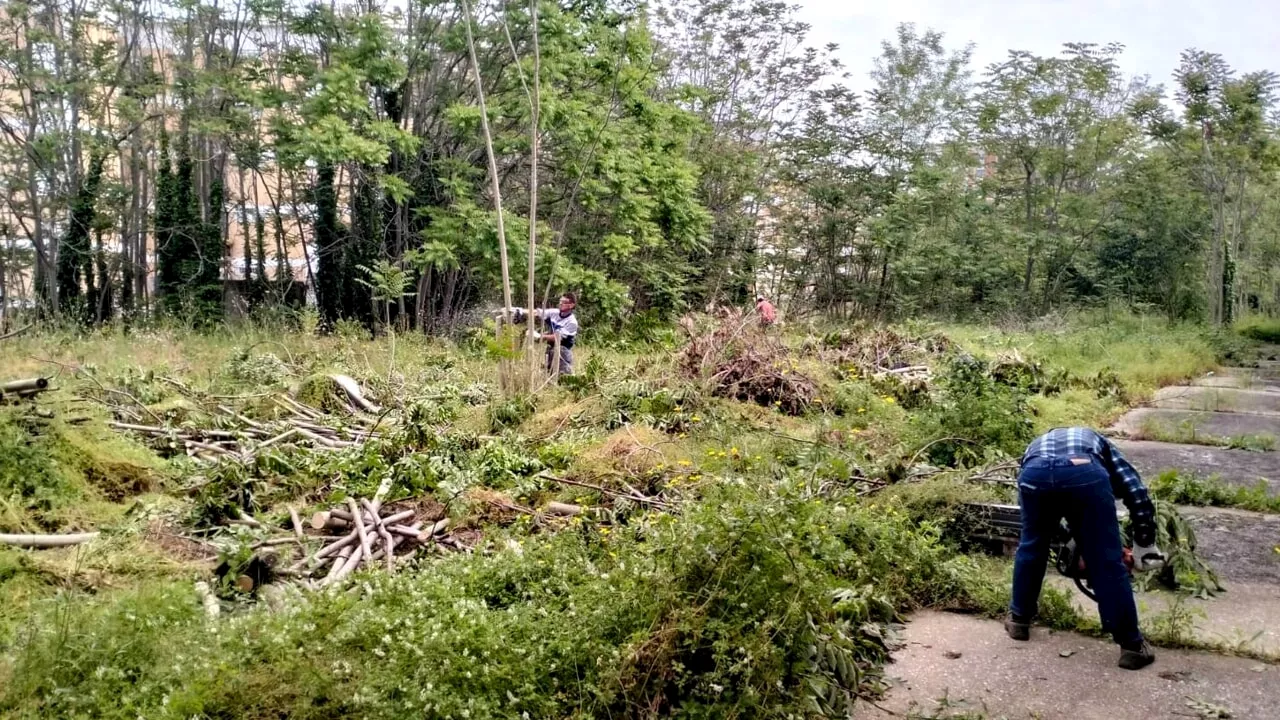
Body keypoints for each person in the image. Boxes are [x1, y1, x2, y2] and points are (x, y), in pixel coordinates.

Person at [1006, 427, 1164, 670]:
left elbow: (1038, 518)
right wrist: (1145, 541)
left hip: (1034, 473)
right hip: (1085, 471)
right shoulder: (1100, 444)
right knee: (1106, 561)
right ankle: (1132, 647)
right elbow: (1135, 490)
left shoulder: (1034, 448)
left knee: (1032, 546)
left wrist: (1069, 537)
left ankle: (1018, 621)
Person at [501, 292, 579, 375]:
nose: (560, 304)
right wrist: (520, 311)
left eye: (564, 302)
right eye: (560, 301)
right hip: (551, 350)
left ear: (571, 305)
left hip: (562, 353)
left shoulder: (572, 322)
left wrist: (539, 336)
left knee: (562, 378)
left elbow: (557, 337)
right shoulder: (555, 313)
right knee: (549, 375)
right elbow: (537, 313)